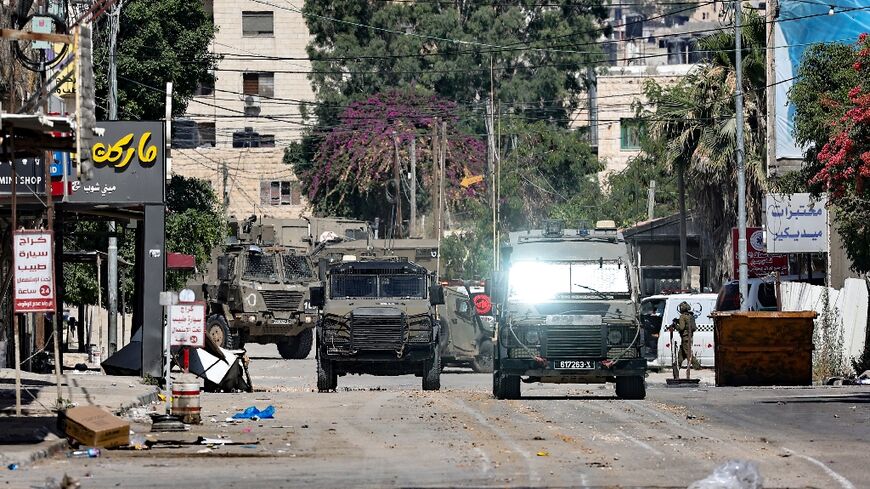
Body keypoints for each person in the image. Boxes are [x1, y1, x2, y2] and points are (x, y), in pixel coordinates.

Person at [670, 301, 697, 368]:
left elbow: (681, 328)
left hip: (685, 337)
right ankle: (677, 366)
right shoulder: (690, 316)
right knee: (681, 354)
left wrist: (675, 325)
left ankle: (697, 367)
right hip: (689, 337)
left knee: (688, 354)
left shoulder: (682, 316)